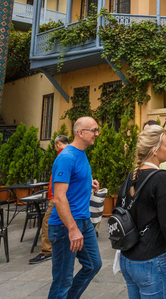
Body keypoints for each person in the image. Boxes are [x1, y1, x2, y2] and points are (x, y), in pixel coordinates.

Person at [118, 124, 166, 299]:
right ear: (154, 150)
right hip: (149, 262)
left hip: (127, 259)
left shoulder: (131, 176)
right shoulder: (161, 178)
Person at [47, 117, 102, 299]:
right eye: (93, 130)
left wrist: (89, 184)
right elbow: (59, 197)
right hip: (66, 226)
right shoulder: (66, 157)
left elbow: (73, 182)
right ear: (81, 133)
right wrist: (72, 229)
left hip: (83, 220)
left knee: (94, 264)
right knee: (62, 280)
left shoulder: (81, 153)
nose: (97, 134)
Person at [142, 119, 166, 299]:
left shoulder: (151, 174)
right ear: (154, 149)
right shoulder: (157, 177)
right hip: (151, 253)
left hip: (136, 256)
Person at [29, 134, 69, 265]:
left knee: (47, 221)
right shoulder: (72, 154)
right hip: (64, 195)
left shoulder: (62, 155)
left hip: (57, 196)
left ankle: (47, 250)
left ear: (57, 144)